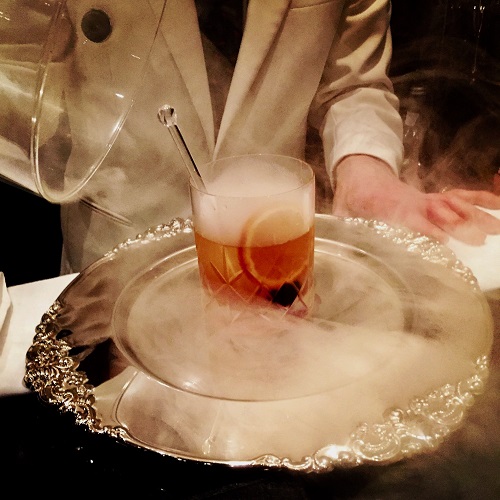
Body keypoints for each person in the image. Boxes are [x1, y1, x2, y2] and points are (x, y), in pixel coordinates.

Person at [1, 0, 500, 275]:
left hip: (276, 243)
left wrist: (367, 177)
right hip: (120, 249)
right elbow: (16, 74)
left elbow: (352, 85)